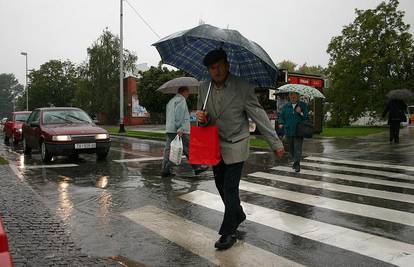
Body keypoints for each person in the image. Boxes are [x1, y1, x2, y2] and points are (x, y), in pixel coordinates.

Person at [196, 49, 285, 250]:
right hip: (215, 145)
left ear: (227, 64)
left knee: (230, 187)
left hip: (237, 142)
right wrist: (201, 119)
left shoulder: (242, 87)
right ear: (208, 70)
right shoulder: (203, 88)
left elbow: (259, 115)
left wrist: (276, 143)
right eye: (212, 67)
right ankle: (238, 213)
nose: (216, 70)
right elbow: (204, 119)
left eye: (220, 65)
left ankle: (228, 232)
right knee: (220, 186)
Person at [161, 86, 207, 177]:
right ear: (183, 92)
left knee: (169, 150)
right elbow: (179, 115)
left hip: (170, 129)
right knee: (189, 148)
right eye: (187, 92)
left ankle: (165, 170)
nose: (188, 94)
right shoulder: (181, 100)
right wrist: (180, 128)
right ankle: (197, 167)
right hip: (180, 130)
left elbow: (171, 115)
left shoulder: (171, 101)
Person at [278, 92, 309, 173]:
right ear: (289, 97)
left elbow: (306, 117)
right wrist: (281, 123)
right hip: (288, 130)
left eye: (295, 96)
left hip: (299, 130)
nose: (293, 97)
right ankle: (295, 162)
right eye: (291, 96)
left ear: (298, 96)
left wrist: (301, 113)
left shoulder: (302, 105)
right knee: (291, 149)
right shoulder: (286, 106)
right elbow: (281, 116)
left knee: (298, 148)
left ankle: (297, 164)